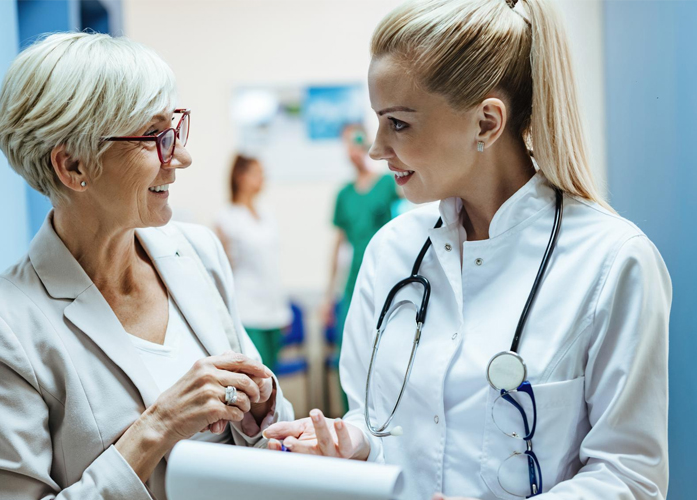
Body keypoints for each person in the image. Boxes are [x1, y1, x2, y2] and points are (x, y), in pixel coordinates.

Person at [265, 1, 671, 499]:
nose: (375, 149)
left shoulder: (613, 261)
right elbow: (379, 424)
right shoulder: (390, 253)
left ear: (485, 123)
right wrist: (353, 443)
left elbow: (629, 477)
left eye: (398, 123)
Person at [0, 33, 293, 499]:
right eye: (153, 136)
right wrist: (157, 428)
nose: (181, 157)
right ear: (73, 166)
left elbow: (263, 439)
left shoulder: (197, 252)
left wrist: (262, 409)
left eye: (176, 129)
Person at [321, 123, 401, 411]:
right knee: (350, 352)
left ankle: (387, 416)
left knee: (387, 351)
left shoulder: (389, 184)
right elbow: (338, 247)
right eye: (347, 144)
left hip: (389, 276)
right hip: (353, 279)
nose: (352, 149)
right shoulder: (344, 194)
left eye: (357, 141)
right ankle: (354, 418)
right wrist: (329, 297)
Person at [216, 155, 292, 370]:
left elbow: (272, 266)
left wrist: (283, 310)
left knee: (274, 378)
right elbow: (222, 270)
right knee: (256, 378)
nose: (262, 179)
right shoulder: (226, 218)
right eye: (256, 174)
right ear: (240, 177)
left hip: (274, 311)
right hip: (247, 311)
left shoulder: (267, 214)